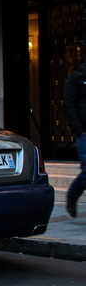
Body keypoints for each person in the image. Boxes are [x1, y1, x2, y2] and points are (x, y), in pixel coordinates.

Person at [63, 62, 86, 218]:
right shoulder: (77, 75)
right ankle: (72, 195)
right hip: (84, 132)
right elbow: (68, 104)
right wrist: (79, 129)